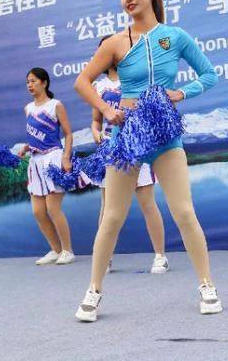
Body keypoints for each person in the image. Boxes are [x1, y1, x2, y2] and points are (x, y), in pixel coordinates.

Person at [73, 0, 221, 322]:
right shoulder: (115, 43)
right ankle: (93, 290)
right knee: (112, 216)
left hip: (165, 135)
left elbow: (209, 75)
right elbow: (82, 82)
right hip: (127, 135)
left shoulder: (175, 36)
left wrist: (181, 93)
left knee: (184, 212)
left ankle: (207, 285)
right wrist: (108, 110)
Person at [85, 35, 169, 274]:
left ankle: (160, 255)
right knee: (107, 208)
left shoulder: (137, 80)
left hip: (138, 149)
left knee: (147, 203)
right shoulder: (99, 87)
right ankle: (105, 257)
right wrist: (96, 132)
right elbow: (96, 120)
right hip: (112, 152)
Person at [17, 68, 75, 266]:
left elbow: (68, 133)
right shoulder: (28, 108)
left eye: (33, 81)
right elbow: (35, 137)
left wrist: (66, 157)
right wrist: (26, 147)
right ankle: (55, 249)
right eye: (27, 82)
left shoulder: (55, 105)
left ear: (44, 83)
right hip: (35, 161)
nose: (30, 85)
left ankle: (67, 250)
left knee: (53, 208)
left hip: (53, 158)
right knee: (38, 211)